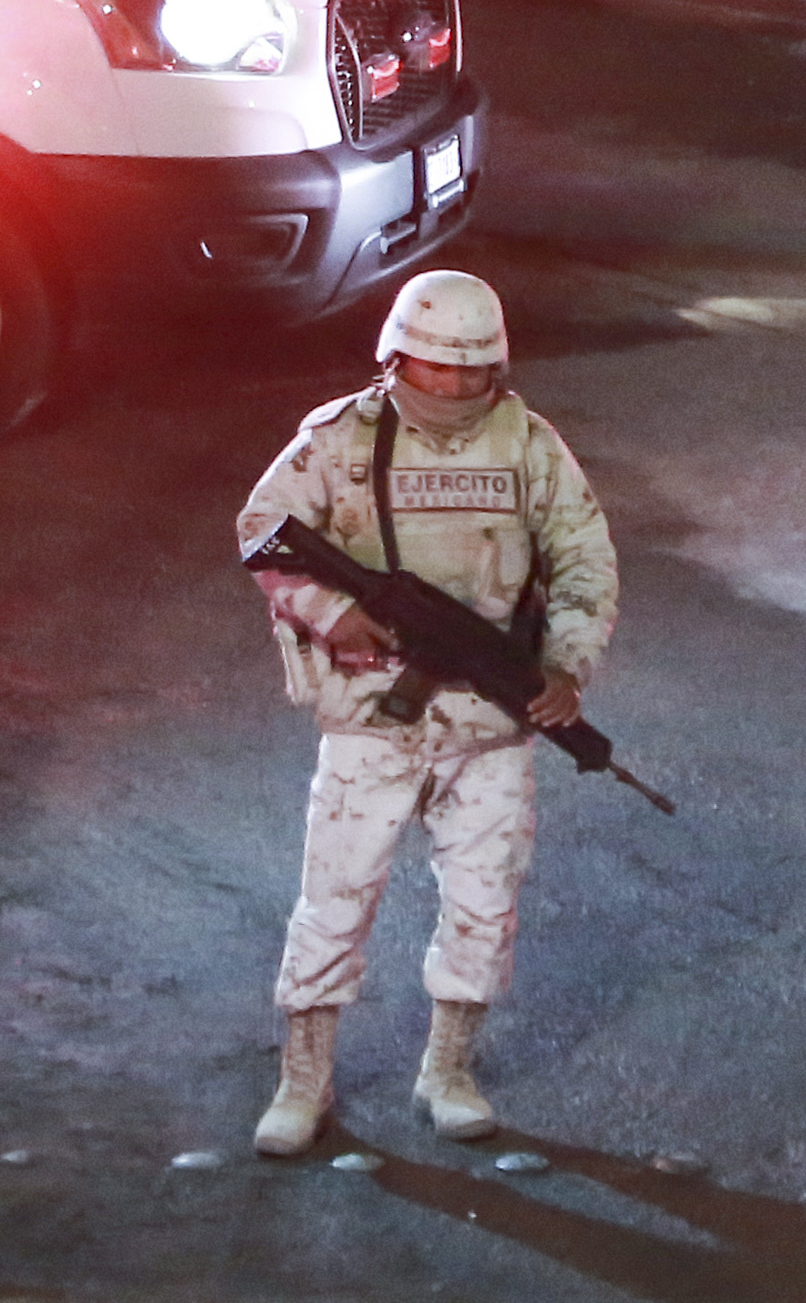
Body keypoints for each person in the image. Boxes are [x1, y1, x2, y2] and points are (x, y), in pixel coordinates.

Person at [234, 270, 619, 1158]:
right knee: (333, 902)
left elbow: (583, 560)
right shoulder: (338, 440)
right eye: (430, 368)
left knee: (485, 905)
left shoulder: (528, 444)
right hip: (372, 719)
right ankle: (303, 1083)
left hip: (488, 725)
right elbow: (264, 531)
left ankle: (448, 1071)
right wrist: (336, 615)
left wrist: (564, 667)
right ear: (392, 358)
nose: (448, 388)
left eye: (470, 371)